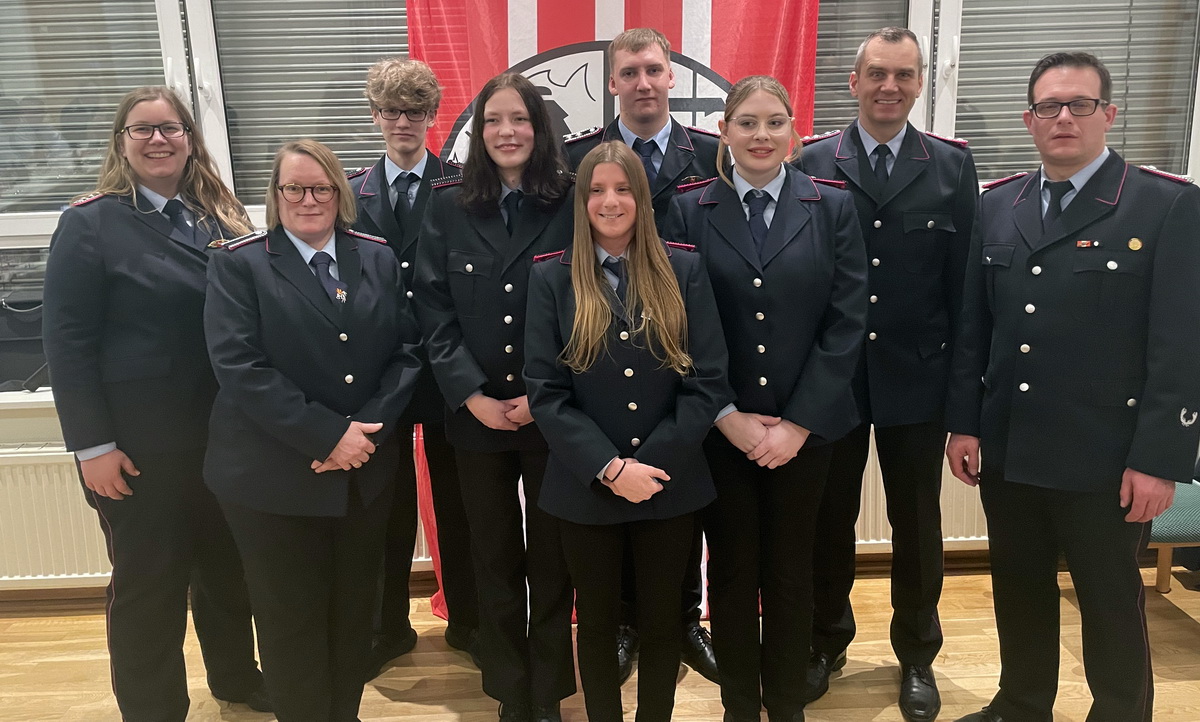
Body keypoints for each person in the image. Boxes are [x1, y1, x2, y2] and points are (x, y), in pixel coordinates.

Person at [946, 52, 1200, 722]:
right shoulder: (998, 205)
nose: (1063, 118)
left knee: (1110, 600)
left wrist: (1159, 461)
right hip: (1012, 447)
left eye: (1078, 104)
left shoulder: (1165, 204)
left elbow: (1181, 348)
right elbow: (976, 328)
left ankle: (1121, 712)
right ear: (1029, 120)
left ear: (1107, 114)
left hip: (1108, 458)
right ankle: (1022, 701)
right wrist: (965, 423)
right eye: (1048, 107)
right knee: (1018, 588)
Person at [41, 85, 269, 720]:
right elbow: (68, 343)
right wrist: (92, 446)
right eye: (142, 130)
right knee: (151, 585)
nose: (157, 139)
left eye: (169, 128)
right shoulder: (90, 222)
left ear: (189, 139)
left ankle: (236, 678)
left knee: (227, 572)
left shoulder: (214, 217)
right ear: (122, 143)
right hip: (136, 450)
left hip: (221, 440)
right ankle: (153, 707)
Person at [664, 75, 868, 722]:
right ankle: (738, 709)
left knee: (790, 574)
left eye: (774, 122)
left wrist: (797, 424)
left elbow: (846, 323)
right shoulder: (687, 209)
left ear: (793, 132)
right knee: (729, 574)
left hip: (805, 433)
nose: (761, 135)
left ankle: (786, 708)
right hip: (719, 432)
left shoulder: (833, 207)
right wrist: (725, 415)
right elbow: (677, 323)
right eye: (746, 122)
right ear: (722, 131)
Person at [203, 138, 422, 722]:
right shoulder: (238, 263)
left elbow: (406, 351)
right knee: (289, 621)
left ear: (340, 193)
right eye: (293, 188)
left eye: (321, 187)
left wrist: (364, 435)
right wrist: (328, 436)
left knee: (354, 616)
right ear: (275, 196)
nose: (308, 199)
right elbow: (239, 368)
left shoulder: (375, 256)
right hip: (272, 479)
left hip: (363, 474)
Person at [796, 27, 977, 720]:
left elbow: (962, 291)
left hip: (917, 378)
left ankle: (918, 655)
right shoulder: (813, 159)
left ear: (920, 83)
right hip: (833, 378)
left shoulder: (950, 166)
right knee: (827, 519)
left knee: (916, 524)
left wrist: (965, 404)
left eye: (904, 75)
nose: (889, 87)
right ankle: (826, 642)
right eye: (877, 73)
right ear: (854, 80)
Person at [525, 141, 730, 720]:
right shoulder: (552, 277)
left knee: (664, 622)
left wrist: (652, 465)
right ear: (581, 200)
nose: (610, 201)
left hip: (670, 484)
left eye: (622, 189)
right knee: (595, 624)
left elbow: (708, 380)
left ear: (642, 197)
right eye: (596, 190)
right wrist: (611, 469)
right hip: (586, 487)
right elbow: (546, 392)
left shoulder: (683, 269)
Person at [414, 72, 576, 722]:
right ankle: (511, 689)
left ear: (539, 131)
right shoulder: (449, 204)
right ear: (479, 135)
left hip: (552, 415)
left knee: (553, 555)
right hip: (476, 417)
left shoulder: (567, 201)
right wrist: (469, 394)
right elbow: (432, 308)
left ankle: (550, 686)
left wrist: (545, 393)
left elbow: (585, 301)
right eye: (493, 121)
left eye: (520, 120)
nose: (507, 132)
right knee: (493, 554)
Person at [561, 26, 721, 684]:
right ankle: (627, 622)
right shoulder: (577, 159)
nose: (643, 82)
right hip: (604, 347)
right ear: (613, 83)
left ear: (671, 76)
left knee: (680, 503)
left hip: (693, 352)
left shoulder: (713, 152)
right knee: (618, 503)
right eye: (629, 73)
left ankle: (685, 618)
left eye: (653, 69)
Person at [349, 56, 480, 678]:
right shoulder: (349, 192)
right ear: (375, 116)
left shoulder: (462, 186)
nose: (403, 122)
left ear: (433, 117)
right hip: (378, 375)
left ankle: (472, 620)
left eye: (415, 112)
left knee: (462, 501)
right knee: (386, 503)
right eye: (391, 111)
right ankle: (384, 626)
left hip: (452, 368)